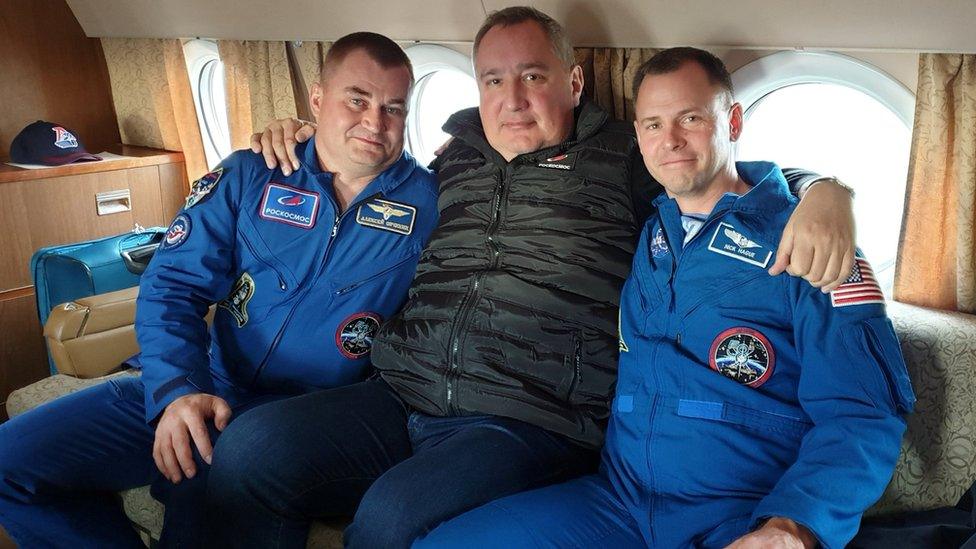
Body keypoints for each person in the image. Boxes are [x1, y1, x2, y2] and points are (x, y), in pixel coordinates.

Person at [209, 7, 859, 548]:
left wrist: (822, 191)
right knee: (248, 452)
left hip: (528, 415)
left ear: (574, 82)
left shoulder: (624, 161)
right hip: (402, 388)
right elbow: (351, 177)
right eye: (492, 81)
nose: (511, 99)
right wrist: (299, 136)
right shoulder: (450, 160)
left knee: (390, 518)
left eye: (531, 76)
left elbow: (717, 176)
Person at [415, 47, 915, 549]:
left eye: (691, 118)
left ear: (733, 120)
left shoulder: (811, 245)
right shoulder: (644, 225)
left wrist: (795, 525)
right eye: (652, 124)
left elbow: (863, 412)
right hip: (620, 503)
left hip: (741, 517)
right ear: (637, 136)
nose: (670, 140)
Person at [0, 31, 437, 548]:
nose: (375, 122)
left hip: (304, 415)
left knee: (202, 490)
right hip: (204, 375)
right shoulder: (253, 171)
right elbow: (172, 284)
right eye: (357, 100)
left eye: (394, 108)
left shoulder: (432, 206)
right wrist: (177, 390)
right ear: (317, 100)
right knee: (11, 465)